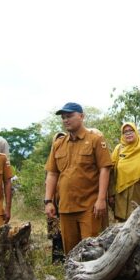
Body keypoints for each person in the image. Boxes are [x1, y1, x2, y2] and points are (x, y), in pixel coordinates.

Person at [44, 103, 112, 255]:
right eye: (63, 118)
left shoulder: (95, 139)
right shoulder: (58, 144)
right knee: (71, 253)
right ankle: (74, 279)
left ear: (81, 116)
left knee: (92, 251)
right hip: (66, 207)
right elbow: (52, 173)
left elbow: (104, 169)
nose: (65, 120)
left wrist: (101, 199)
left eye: (69, 116)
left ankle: (97, 279)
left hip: (90, 207)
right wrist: (48, 201)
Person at [109, 123, 140, 221]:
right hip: (121, 192)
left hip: (139, 190)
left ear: (136, 132)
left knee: (139, 219)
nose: (128, 134)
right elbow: (111, 171)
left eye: (131, 131)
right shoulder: (119, 149)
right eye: (125, 132)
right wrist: (111, 193)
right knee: (123, 221)